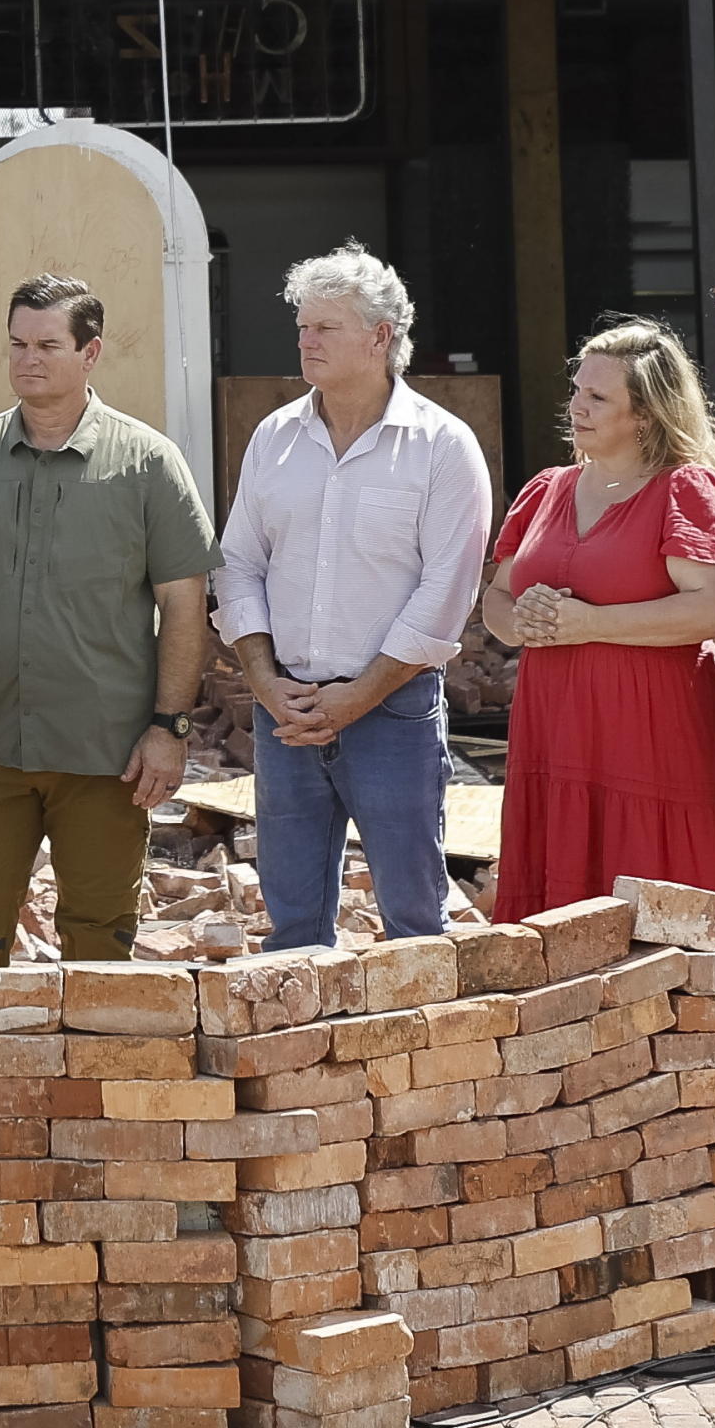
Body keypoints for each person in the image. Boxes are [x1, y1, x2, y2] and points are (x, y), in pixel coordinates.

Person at [0, 275, 219, 969]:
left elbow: (185, 601)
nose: (27, 359)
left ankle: (88, 1082)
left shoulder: (148, 463)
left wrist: (170, 728)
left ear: (90, 352)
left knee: (99, 948)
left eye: (47, 344)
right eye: (16, 343)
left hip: (108, 757)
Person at [486, 318, 715, 1089]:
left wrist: (587, 623)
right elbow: (496, 599)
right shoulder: (547, 489)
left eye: (596, 394)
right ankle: (567, 1087)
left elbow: (712, 610)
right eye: (576, 389)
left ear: (644, 412)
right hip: (555, 731)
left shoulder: (685, 487)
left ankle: (694, 1087)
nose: (575, 404)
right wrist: (525, 622)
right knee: (562, 891)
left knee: (657, 895)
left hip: (652, 735)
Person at [213, 246, 491, 948]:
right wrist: (265, 681)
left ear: (381, 336)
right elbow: (238, 563)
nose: (305, 340)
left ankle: (426, 1057)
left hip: (392, 712)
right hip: (289, 712)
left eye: (325, 328)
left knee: (413, 925)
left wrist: (359, 695)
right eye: (303, 325)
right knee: (293, 929)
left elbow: (446, 593)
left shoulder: (442, 446)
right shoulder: (274, 438)